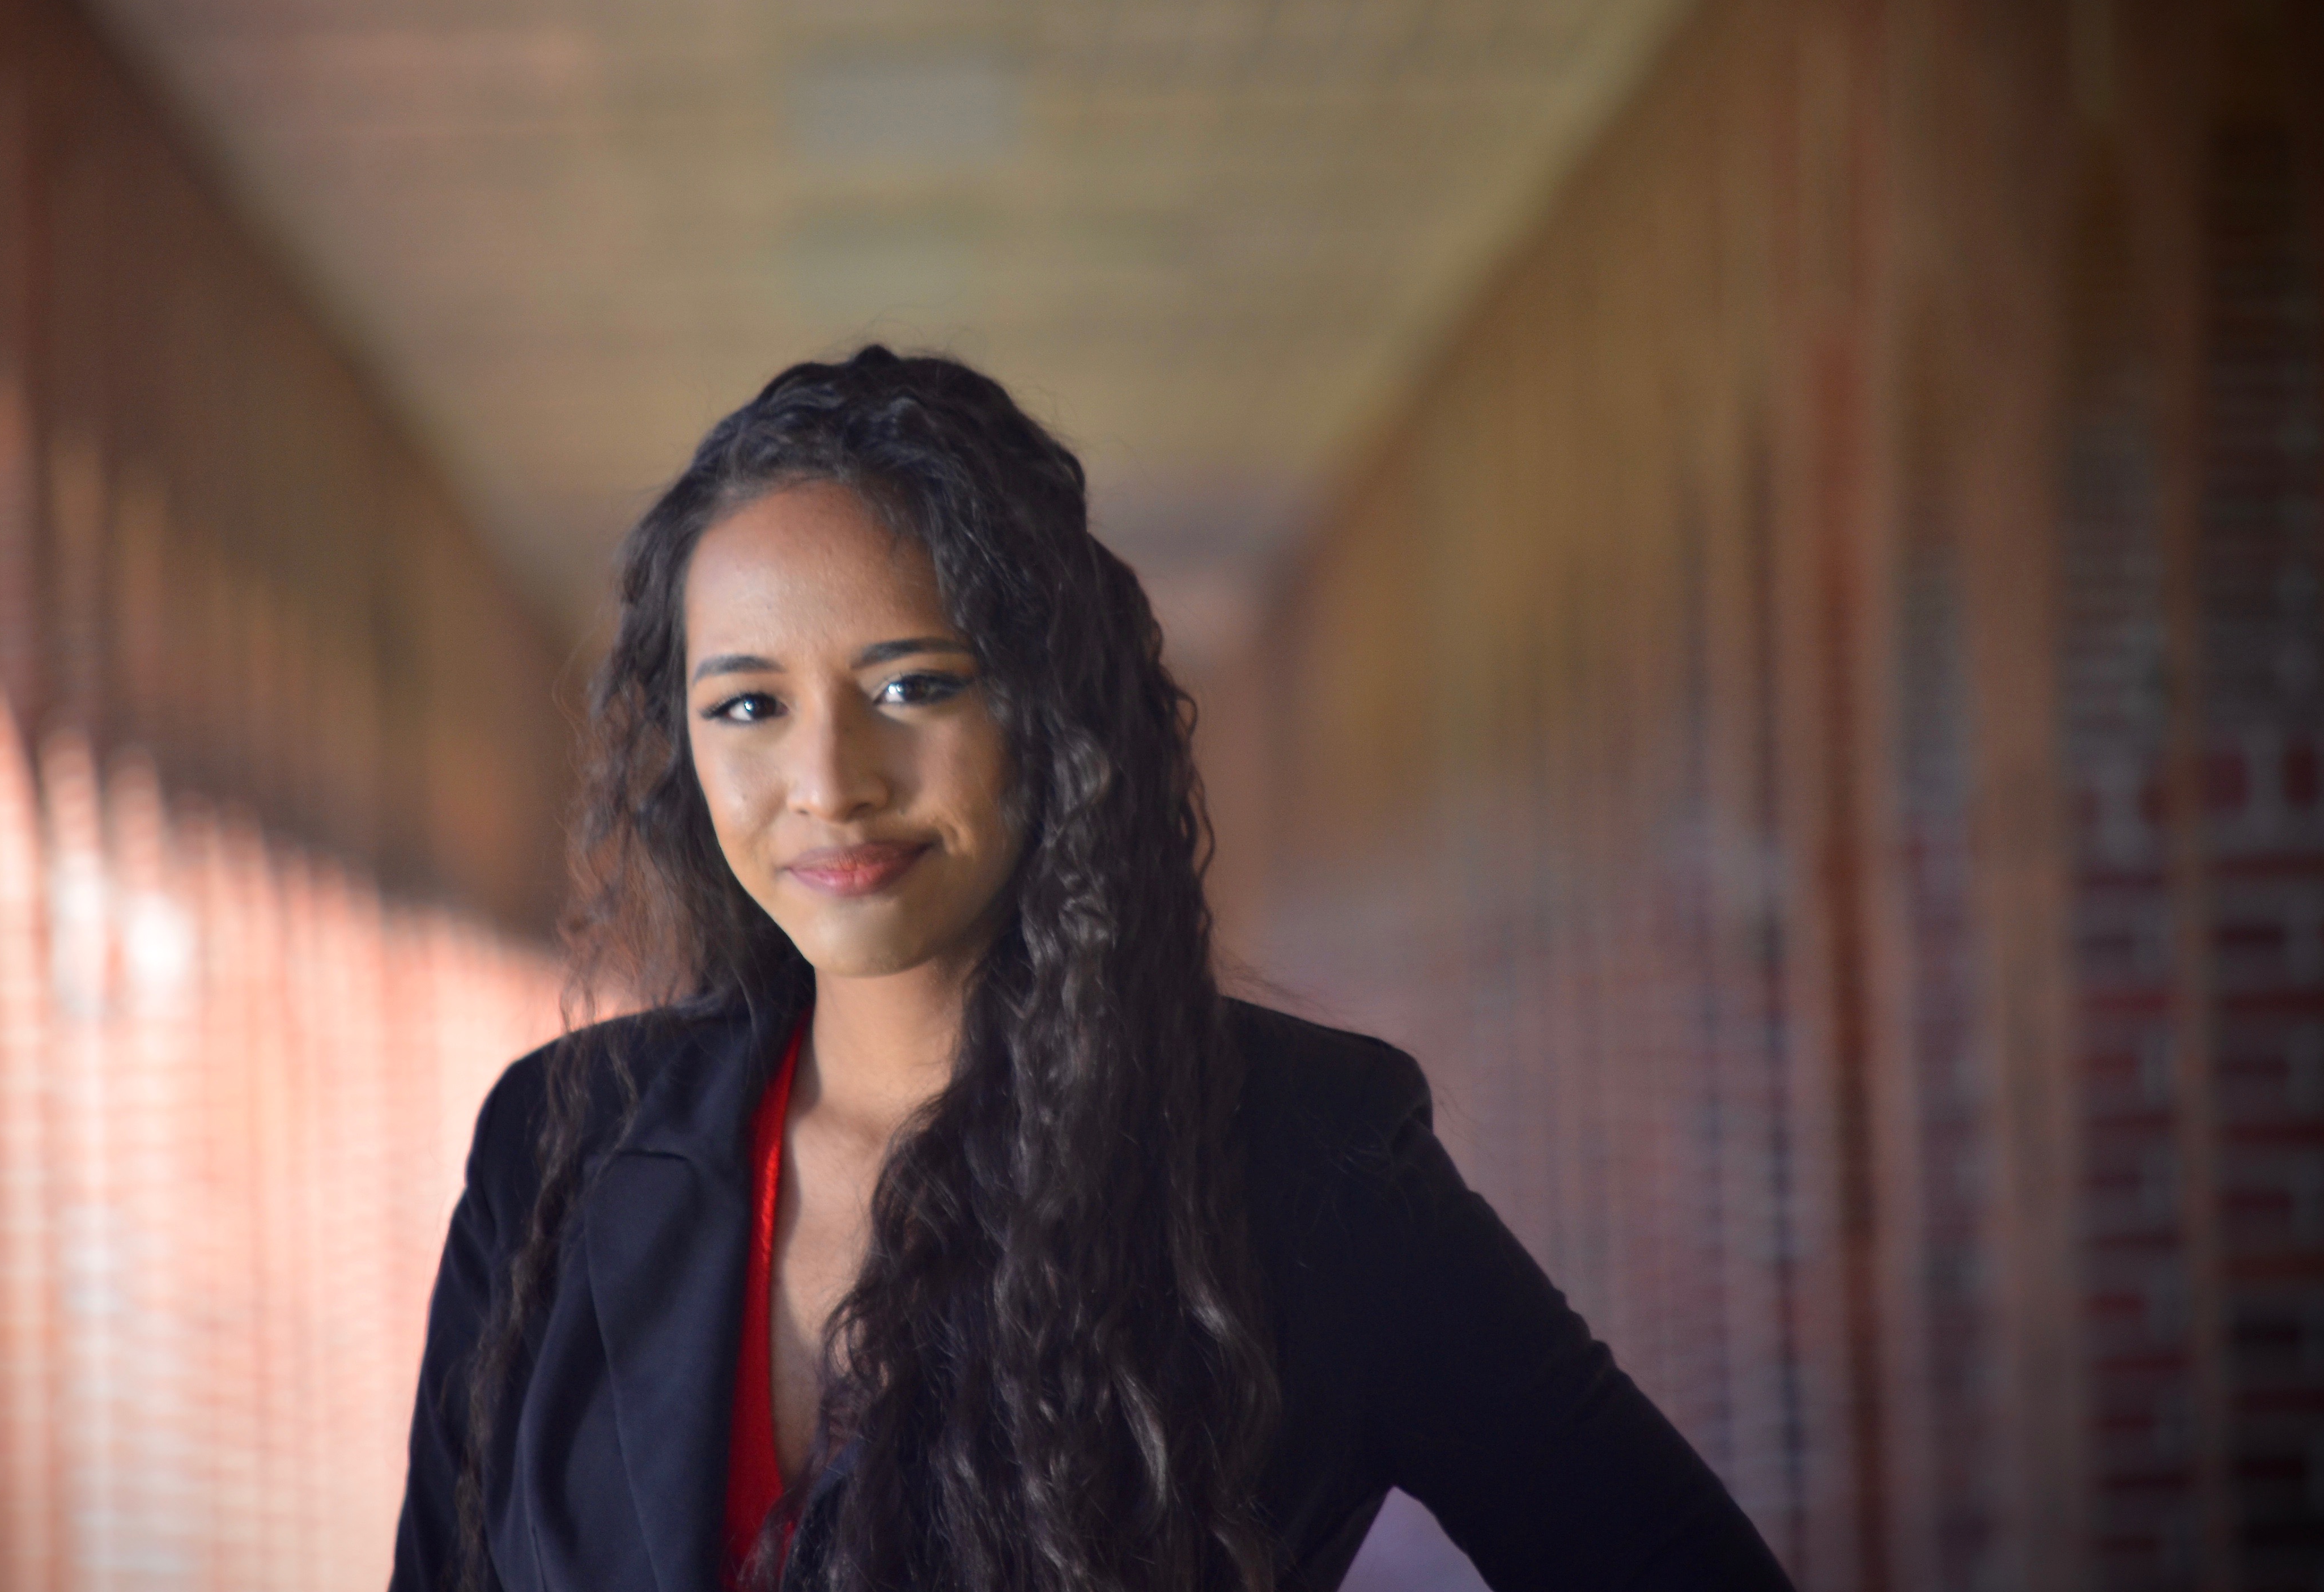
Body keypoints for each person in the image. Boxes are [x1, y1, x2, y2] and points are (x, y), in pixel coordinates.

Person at [389, 347, 1795, 1592]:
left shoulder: (1306, 1161)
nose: (828, 783)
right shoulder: (561, 1147)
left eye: (912, 685)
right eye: (748, 705)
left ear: (1046, 712)